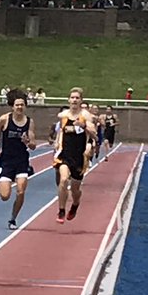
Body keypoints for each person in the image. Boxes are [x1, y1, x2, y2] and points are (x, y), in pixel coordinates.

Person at [0, 88, 37, 230]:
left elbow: (33, 146)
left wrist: (28, 142)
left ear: (25, 106)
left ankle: (13, 219)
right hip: (7, 161)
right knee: (5, 195)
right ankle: (6, 187)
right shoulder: (4, 119)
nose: (20, 107)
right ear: (12, 106)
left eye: (22, 104)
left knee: (20, 191)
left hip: (22, 161)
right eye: (17, 105)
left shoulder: (29, 122)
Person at [53, 87, 96, 224]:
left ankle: (75, 204)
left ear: (81, 100)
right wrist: (57, 141)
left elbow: (94, 134)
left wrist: (83, 126)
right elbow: (61, 131)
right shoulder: (63, 115)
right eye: (72, 98)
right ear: (68, 100)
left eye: (77, 98)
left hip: (79, 157)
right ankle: (61, 210)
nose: (74, 100)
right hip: (65, 154)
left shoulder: (86, 116)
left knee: (75, 190)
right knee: (64, 180)